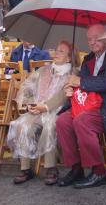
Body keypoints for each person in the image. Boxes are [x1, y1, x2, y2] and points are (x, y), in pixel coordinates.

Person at [56, 24, 106, 189]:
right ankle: (76, 168)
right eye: (89, 39)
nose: (92, 42)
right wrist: (72, 87)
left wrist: (82, 82)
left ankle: (99, 172)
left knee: (81, 121)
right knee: (62, 120)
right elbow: (82, 86)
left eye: (96, 38)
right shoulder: (88, 59)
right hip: (88, 104)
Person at [7, 41, 76, 185]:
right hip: (38, 109)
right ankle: (26, 169)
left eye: (62, 52)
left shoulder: (73, 73)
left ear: (69, 58)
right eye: (57, 50)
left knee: (50, 126)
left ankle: (51, 168)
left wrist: (45, 106)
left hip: (58, 111)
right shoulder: (43, 70)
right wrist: (30, 104)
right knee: (22, 124)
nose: (57, 53)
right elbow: (27, 87)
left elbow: (63, 96)